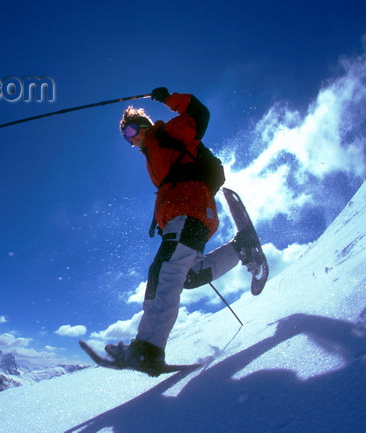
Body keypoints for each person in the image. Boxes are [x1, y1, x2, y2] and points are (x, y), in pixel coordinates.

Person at [105, 87, 257, 368]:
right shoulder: (153, 156)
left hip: (190, 208)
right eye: (126, 137)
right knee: (188, 275)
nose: (132, 140)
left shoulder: (168, 133)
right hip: (187, 214)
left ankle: (148, 347)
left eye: (131, 131)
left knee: (165, 270)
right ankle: (242, 248)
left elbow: (199, 113)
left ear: (144, 126)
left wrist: (167, 98)